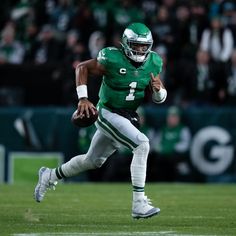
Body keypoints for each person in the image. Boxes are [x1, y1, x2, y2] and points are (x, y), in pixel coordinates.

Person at [34, 22, 167, 219]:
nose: (140, 49)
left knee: (92, 161)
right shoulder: (112, 58)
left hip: (127, 116)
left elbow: (160, 98)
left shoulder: (154, 62)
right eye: (136, 45)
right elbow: (82, 67)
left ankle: (50, 175)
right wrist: (83, 98)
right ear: (125, 43)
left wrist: (158, 91)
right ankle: (139, 203)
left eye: (143, 45)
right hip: (107, 112)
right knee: (142, 145)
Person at [148, 106, 191, 182]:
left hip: (176, 156)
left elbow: (186, 145)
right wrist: (162, 148)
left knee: (176, 160)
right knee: (158, 159)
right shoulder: (163, 129)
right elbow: (156, 143)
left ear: (179, 118)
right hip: (164, 156)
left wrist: (172, 147)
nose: (172, 119)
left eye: (175, 117)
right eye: (170, 117)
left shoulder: (183, 129)